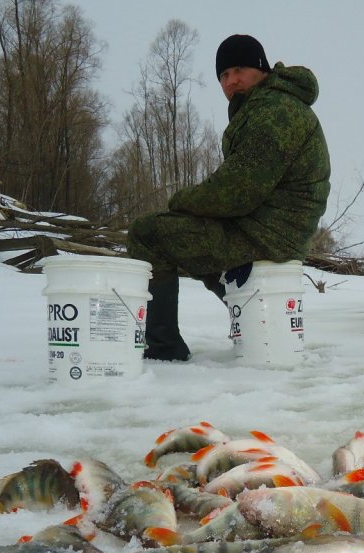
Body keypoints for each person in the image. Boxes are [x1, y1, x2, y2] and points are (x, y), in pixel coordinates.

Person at [126, 33, 331, 361]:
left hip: (268, 234)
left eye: (239, 70)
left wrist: (181, 201)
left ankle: (163, 349)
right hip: (271, 229)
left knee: (147, 233)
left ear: (261, 69)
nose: (231, 81)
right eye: (223, 75)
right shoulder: (267, 106)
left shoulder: (274, 111)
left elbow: (237, 192)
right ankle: (255, 319)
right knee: (195, 244)